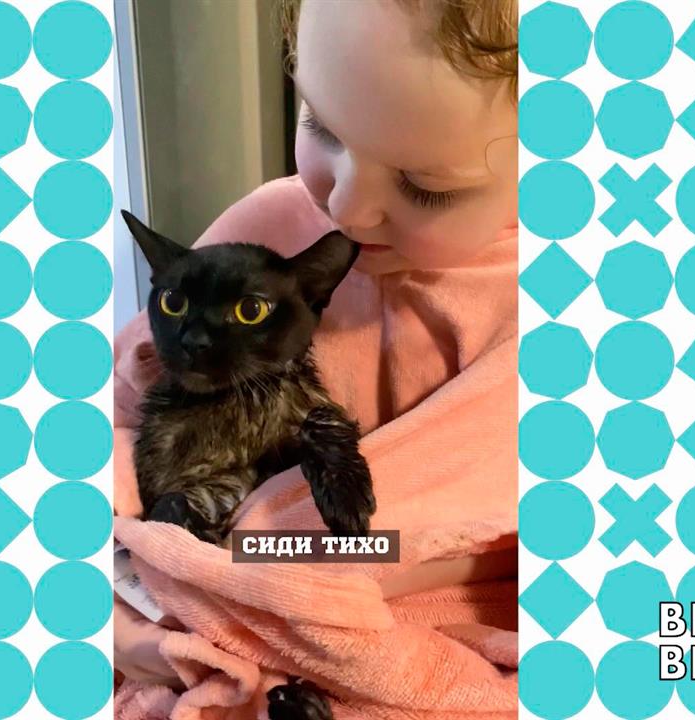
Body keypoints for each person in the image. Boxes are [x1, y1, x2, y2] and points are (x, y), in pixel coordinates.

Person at [113, 0, 519, 708]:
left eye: (426, 187)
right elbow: (126, 405)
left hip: (418, 617)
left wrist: (290, 573)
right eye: (322, 125)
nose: (347, 209)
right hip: (196, 588)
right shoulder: (269, 229)